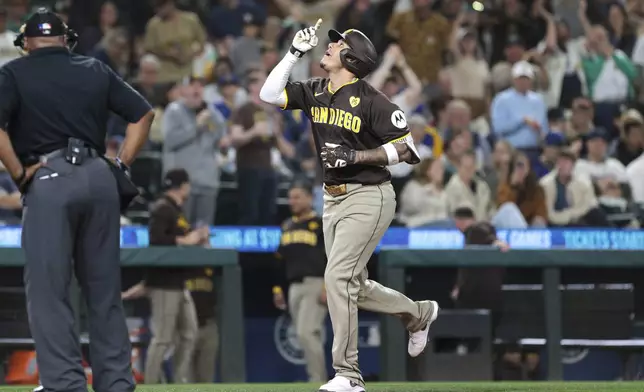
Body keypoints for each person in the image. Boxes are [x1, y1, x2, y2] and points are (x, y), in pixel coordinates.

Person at [259, 20, 439, 392]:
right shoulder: (315, 90)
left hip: (369, 195)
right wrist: (294, 53)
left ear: (353, 59)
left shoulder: (373, 99)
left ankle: (348, 374)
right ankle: (418, 313)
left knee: (337, 278)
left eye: (339, 43)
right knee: (352, 283)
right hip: (331, 198)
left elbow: (409, 149)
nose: (330, 45)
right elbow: (268, 94)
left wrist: (356, 154)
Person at [0, 9, 153, 392]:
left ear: (25, 44)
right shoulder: (94, 68)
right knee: (104, 292)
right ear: (66, 40)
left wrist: (19, 174)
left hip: (49, 177)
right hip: (100, 178)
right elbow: (144, 115)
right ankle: (116, 383)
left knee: (50, 293)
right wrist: (119, 165)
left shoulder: (13, 73)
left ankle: (65, 384)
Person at [121, 169, 207, 384]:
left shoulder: (176, 209)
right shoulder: (162, 208)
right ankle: (151, 384)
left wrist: (195, 238)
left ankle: (179, 381)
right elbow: (157, 240)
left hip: (179, 282)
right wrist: (186, 240)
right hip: (164, 283)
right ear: (184, 185)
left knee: (189, 333)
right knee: (163, 338)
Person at [273, 182, 328, 382]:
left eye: (297, 197)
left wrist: (327, 285)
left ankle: (318, 381)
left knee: (307, 332)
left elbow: (332, 257)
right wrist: (277, 288)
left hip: (315, 283)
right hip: (293, 286)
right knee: (304, 334)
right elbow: (280, 260)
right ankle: (317, 378)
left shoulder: (321, 224)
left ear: (309, 198)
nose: (292, 201)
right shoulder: (287, 226)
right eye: (290, 197)